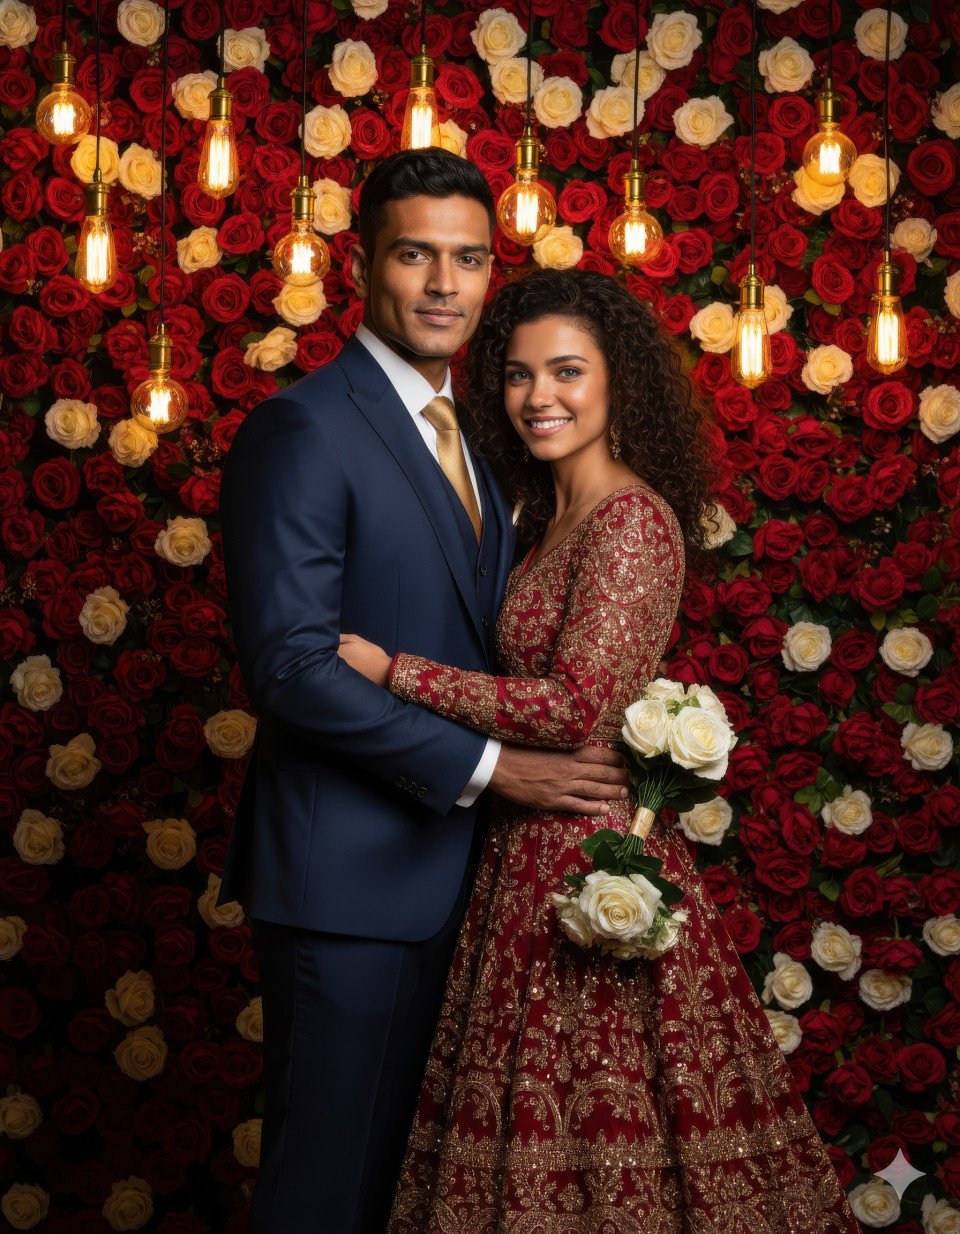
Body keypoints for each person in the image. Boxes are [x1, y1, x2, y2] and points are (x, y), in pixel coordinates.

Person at [339, 268, 864, 1233]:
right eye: (518, 374)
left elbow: (577, 703)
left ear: (618, 379)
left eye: (567, 371)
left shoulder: (631, 519)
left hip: (587, 854)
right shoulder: (544, 520)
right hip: (525, 843)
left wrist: (393, 671)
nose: (539, 396)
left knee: (607, 1123)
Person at [215, 153, 631, 1234]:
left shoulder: (485, 441)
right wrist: (498, 769)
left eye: (470, 259)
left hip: (469, 886)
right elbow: (292, 667)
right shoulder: (305, 428)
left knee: (411, 1203)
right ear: (361, 265)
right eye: (415, 254)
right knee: (324, 1195)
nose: (445, 284)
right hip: (348, 888)